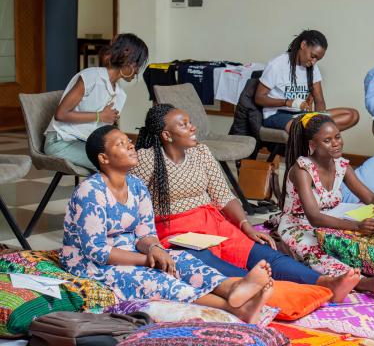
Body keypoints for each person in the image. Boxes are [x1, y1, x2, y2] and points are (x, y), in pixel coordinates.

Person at [130, 104, 361, 303]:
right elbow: (133, 206)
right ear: (166, 135)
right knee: (217, 265)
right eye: (184, 125)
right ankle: (263, 292)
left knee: (264, 254)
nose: (193, 127)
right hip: (175, 232)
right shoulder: (144, 160)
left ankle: (325, 282)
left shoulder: (201, 152)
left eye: (190, 122)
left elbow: (224, 195)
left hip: (213, 225)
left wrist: (245, 225)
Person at [60, 125, 273, 324]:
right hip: (91, 264)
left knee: (180, 259)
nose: (130, 145)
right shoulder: (90, 192)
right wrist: (147, 261)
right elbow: (96, 251)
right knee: (155, 278)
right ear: (103, 158)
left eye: (128, 141)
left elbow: (145, 233)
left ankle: (233, 287)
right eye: (121, 144)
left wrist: (155, 249)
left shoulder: (137, 186)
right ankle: (234, 308)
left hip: (129, 251)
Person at [278, 113, 374, 300]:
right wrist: (356, 227)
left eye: (337, 137)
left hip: (334, 217)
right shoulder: (302, 170)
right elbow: (314, 217)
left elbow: (370, 197)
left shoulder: (342, 166)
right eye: (327, 140)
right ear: (313, 145)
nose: (336, 143)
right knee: (316, 252)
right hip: (299, 223)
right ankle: (368, 282)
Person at [44, 34, 149, 170]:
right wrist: (100, 116)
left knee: (128, 161)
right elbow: (61, 114)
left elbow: (101, 131)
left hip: (86, 144)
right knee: (115, 164)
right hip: (61, 141)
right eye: (137, 64)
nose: (138, 70)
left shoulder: (120, 94)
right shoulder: (91, 77)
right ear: (127, 57)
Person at [255, 30, 359, 133]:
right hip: (277, 115)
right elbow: (259, 98)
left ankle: (317, 134)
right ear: (303, 45)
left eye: (317, 59)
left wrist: (320, 120)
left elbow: (319, 101)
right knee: (308, 128)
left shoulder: (313, 68)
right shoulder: (277, 65)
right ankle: (316, 139)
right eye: (313, 56)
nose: (314, 62)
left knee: (352, 115)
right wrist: (287, 102)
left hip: (301, 115)